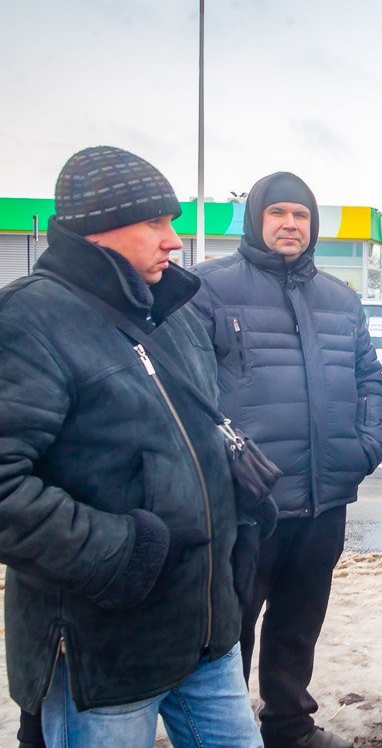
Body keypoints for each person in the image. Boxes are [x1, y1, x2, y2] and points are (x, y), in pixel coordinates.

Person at [0, 146, 260, 747]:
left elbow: (177, 443)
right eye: (155, 222)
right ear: (97, 228)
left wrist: (235, 496)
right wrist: (121, 553)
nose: (174, 240)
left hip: (205, 631)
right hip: (106, 654)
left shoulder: (170, 313)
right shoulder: (29, 319)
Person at [191, 172, 382, 748]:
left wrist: (365, 448)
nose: (290, 225)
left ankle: (288, 723)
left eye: (300, 216)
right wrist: (223, 463)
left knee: (299, 622)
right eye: (278, 213)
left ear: (314, 225)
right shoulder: (209, 289)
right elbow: (189, 388)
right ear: (256, 219)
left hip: (325, 499)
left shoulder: (340, 298)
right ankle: (223, 732)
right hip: (249, 503)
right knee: (233, 627)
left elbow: (369, 380)